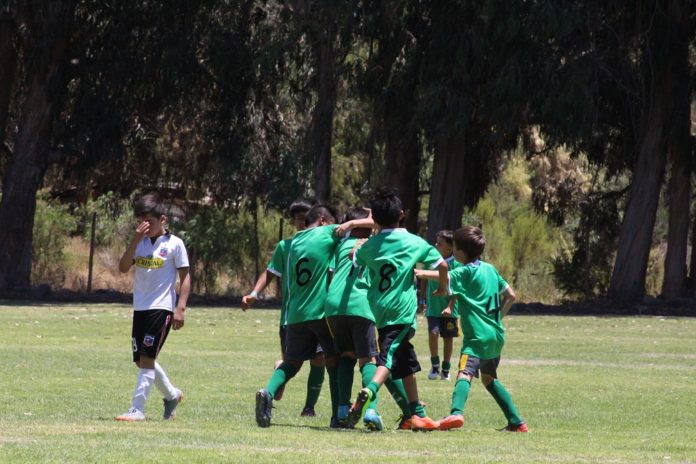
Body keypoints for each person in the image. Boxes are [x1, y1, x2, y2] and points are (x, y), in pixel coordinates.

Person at [255, 204, 370, 428]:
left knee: (293, 362)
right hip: (320, 312)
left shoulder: (293, 242)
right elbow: (366, 226)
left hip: (296, 313)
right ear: (324, 220)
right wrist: (361, 220)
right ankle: (339, 416)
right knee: (335, 360)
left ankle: (268, 392)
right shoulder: (327, 232)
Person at [346, 186, 449, 431]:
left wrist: (360, 245)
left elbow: (354, 259)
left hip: (378, 311)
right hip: (400, 312)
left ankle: (418, 415)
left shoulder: (370, 246)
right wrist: (442, 288)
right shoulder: (414, 242)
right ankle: (369, 391)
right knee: (389, 358)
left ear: (375, 219)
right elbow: (442, 264)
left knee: (405, 363)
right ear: (401, 214)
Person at [414, 226, 528, 432]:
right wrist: (497, 318)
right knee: (489, 378)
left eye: (455, 247)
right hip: (496, 334)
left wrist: (419, 272)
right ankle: (517, 422)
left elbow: (444, 277)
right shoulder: (490, 269)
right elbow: (511, 295)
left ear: (460, 252)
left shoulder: (465, 272)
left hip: (477, 337)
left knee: (464, 373)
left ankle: (456, 412)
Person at [325, 207, 412, 431]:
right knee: (369, 361)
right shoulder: (376, 246)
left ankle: (342, 411)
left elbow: (334, 274)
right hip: (361, 305)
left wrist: (354, 224)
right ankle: (371, 410)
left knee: (346, 355)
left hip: (333, 306)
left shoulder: (341, 245)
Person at [241, 198, 326, 414]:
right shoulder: (286, 246)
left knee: (320, 359)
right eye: (300, 219)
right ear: (293, 221)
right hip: (292, 316)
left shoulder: (324, 242)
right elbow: (270, 273)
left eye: (308, 218)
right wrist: (253, 293)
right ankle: (271, 391)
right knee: (293, 364)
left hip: (319, 313)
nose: (304, 223)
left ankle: (309, 407)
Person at [116, 193, 190, 422]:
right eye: (141, 221)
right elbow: (123, 267)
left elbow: (185, 277)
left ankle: (137, 409)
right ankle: (171, 395)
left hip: (162, 308)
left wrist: (181, 308)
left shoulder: (175, 244)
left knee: (147, 358)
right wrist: (134, 241)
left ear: (163, 219)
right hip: (140, 308)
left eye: (149, 221)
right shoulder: (139, 244)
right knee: (141, 360)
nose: (145, 226)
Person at [418, 230, 461, 381]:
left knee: (448, 339)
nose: (435, 245)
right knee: (433, 334)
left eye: (439, 243)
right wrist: (421, 299)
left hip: (450, 310)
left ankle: (446, 369)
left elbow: (457, 288)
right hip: (433, 307)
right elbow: (423, 278)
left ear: (449, 248)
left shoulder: (456, 264)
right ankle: (435, 366)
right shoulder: (431, 260)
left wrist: (450, 306)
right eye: (436, 242)